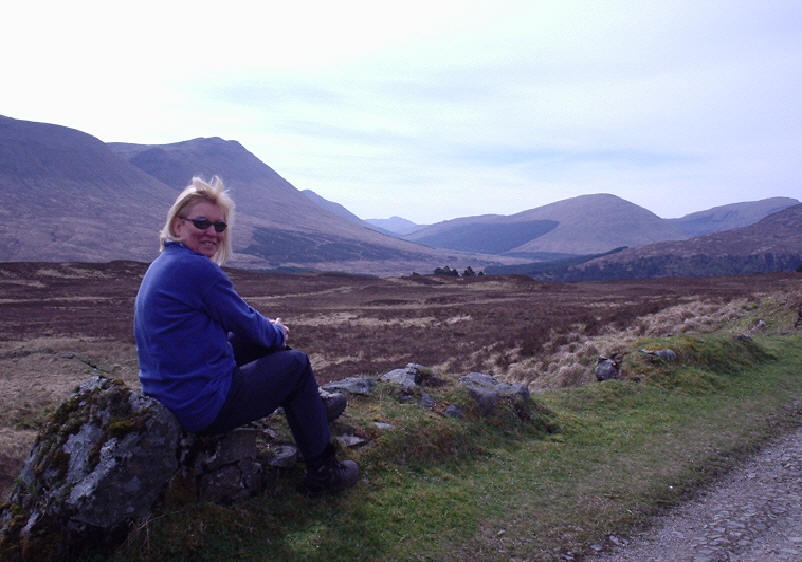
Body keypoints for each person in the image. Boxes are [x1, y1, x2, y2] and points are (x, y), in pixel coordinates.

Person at [134, 175, 358, 496]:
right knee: (295, 364)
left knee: (261, 339)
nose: (211, 232)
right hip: (201, 405)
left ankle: (313, 411)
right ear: (178, 225)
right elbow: (249, 323)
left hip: (173, 392)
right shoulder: (199, 270)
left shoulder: (166, 263)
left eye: (219, 226)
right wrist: (275, 330)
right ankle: (323, 471)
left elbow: (232, 323)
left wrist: (265, 329)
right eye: (202, 223)